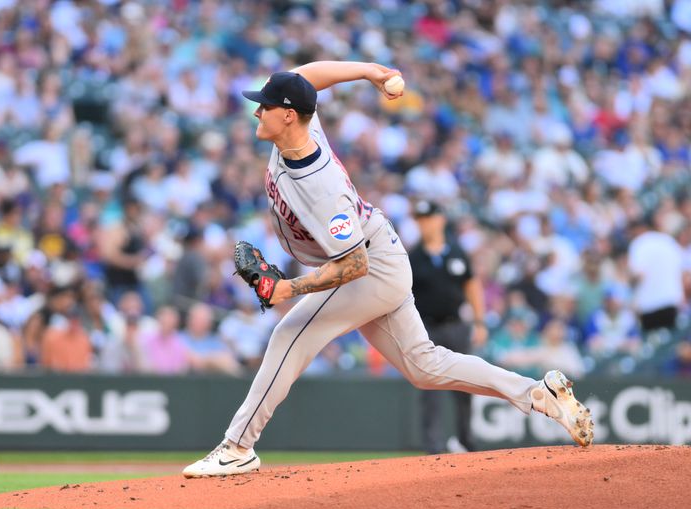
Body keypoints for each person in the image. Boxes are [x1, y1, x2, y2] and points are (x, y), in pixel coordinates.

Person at [163, 62, 590, 479]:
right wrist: (370, 70)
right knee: (425, 367)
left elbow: (354, 264)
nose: (257, 111)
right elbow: (307, 76)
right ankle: (538, 393)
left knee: (290, 333)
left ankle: (238, 446)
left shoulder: (319, 185)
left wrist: (289, 288)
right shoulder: (302, 127)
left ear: (288, 116)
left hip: (370, 266)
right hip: (378, 252)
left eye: (265, 106)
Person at [408, 200, 488, 454]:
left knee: (466, 385)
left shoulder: (456, 252)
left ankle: (467, 441)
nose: (424, 224)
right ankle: (434, 447)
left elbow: (472, 285)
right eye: (420, 220)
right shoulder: (414, 257)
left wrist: (479, 321)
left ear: (440, 219)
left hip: (456, 326)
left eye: (428, 218)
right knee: (430, 390)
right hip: (427, 330)